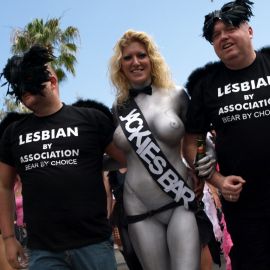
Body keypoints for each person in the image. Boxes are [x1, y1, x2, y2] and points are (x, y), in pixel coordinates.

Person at [0, 45, 125, 270]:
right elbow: (5, 186)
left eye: (29, 80)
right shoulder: (13, 133)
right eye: (18, 84)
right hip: (43, 250)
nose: (23, 89)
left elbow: (128, 160)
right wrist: (9, 238)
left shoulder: (90, 119)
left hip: (94, 244)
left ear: (52, 81)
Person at [109, 29, 219, 270]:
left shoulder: (177, 94)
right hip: (138, 206)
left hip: (178, 199)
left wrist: (207, 160)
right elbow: (117, 156)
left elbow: (200, 138)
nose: (135, 62)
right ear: (120, 65)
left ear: (152, 59)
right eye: (127, 58)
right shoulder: (118, 108)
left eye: (141, 55)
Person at [183, 0, 270, 269]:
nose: (223, 37)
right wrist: (217, 179)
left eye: (230, 28)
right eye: (215, 35)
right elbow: (192, 140)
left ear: (250, 30)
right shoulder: (205, 85)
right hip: (244, 202)